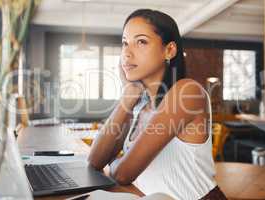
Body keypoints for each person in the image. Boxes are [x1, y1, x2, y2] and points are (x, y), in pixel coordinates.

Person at [88, 9, 227, 200]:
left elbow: (123, 174)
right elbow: (95, 161)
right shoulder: (139, 104)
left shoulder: (187, 92)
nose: (127, 53)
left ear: (169, 50)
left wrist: (113, 163)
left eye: (141, 42)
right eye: (124, 43)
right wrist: (128, 97)